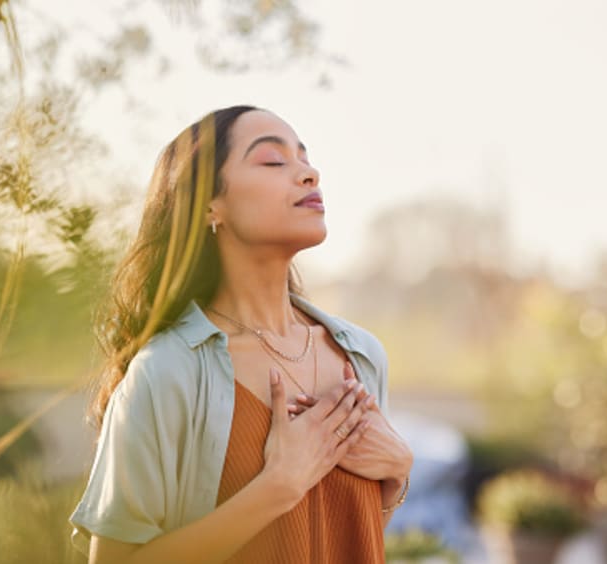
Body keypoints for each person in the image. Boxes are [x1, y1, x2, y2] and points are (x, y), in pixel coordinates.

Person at [69, 105, 413, 563]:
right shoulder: (166, 372)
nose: (309, 174)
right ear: (211, 206)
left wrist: (397, 476)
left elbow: (346, 535)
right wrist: (277, 487)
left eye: (305, 159)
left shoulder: (363, 355)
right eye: (274, 161)